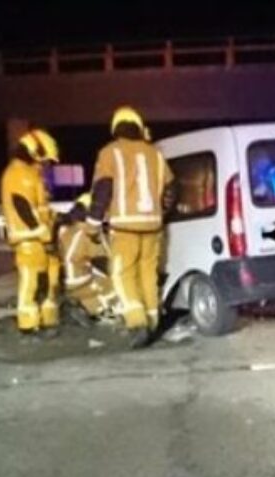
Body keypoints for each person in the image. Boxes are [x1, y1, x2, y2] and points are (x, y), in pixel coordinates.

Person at [85, 106, 174, 348]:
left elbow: (102, 191)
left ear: (116, 128)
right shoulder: (155, 154)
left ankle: (137, 324)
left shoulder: (110, 152)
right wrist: (160, 215)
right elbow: (171, 191)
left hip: (125, 228)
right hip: (153, 228)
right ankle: (152, 322)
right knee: (148, 275)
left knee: (122, 275)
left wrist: (92, 225)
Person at [0, 129, 62, 337]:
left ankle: (45, 320)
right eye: (44, 160)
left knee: (44, 282)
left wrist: (51, 222)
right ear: (35, 151)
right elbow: (21, 204)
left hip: (37, 238)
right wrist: (38, 228)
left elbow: (38, 205)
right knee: (31, 282)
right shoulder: (18, 173)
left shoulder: (29, 173)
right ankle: (28, 325)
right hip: (28, 238)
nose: (45, 165)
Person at [57, 193, 116, 325]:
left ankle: (79, 303)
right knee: (120, 290)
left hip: (66, 280)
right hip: (82, 283)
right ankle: (91, 308)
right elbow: (104, 264)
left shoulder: (64, 228)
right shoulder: (88, 232)